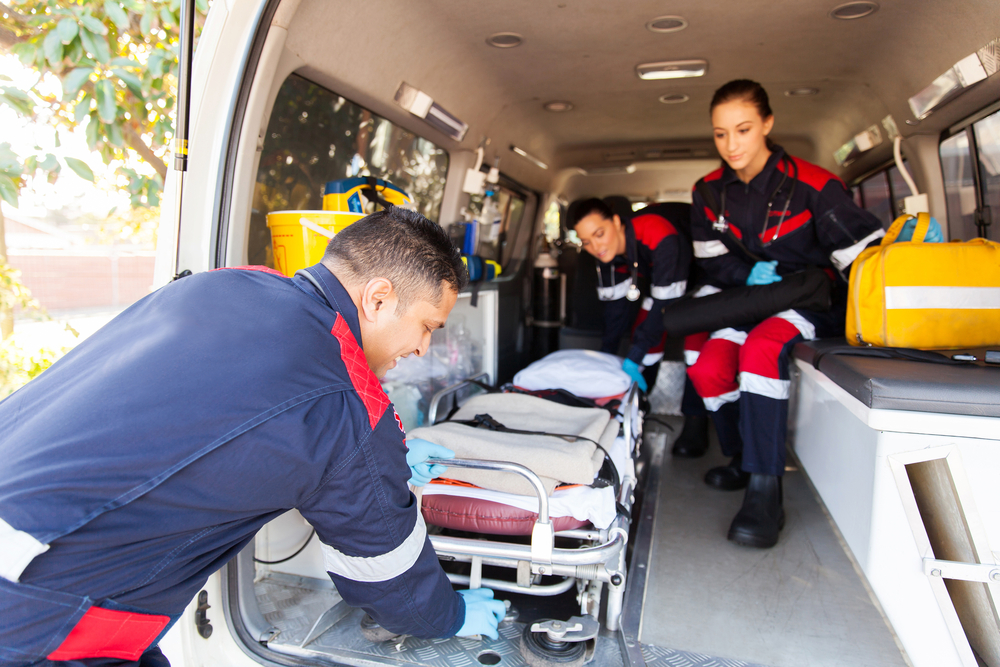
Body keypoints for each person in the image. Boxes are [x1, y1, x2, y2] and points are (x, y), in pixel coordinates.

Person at [0, 208, 506, 666]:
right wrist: (450, 616)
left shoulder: (221, 284)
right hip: (40, 605)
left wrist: (378, 457)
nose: (422, 347)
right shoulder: (347, 400)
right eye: (426, 325)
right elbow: (391, 582)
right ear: (377, 298)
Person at [686, 79, 943, 549]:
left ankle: (766, 490)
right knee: (708, 365)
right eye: (721, 134)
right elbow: (708, 258)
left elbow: (865, 263)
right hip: (751, 297)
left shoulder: (814, 185)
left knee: (762, 349)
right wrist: (747, 274)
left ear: (767, 123)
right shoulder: (708, 193)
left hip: (809, 301)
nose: (732, 144)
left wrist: (905, 261)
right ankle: (742, 456)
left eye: (742, 129)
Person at [567, 198, 710, 455]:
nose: (595, 246)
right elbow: (615, 313)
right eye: (586, 241)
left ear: (617, 222)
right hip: (666, 284)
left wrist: (633, 356)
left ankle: (696, 421)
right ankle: (637, 406)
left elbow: (666, 303)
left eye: (599, 234)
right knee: (645, 337)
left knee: (694, 346)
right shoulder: (605, 253)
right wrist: (606, 365)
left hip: (705, 279)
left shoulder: (658, 233)